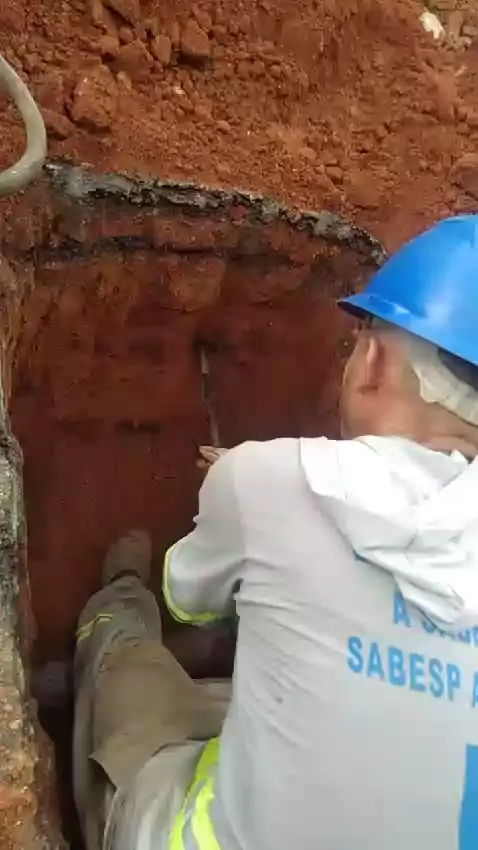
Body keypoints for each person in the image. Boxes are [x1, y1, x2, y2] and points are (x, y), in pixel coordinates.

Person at [74, 214, 478, 850]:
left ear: (373, 360)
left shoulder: (270, 479)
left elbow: (187, 600)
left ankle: (114, 600)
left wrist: (248, 491)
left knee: (128, 666)